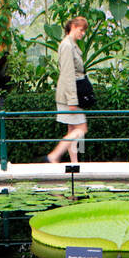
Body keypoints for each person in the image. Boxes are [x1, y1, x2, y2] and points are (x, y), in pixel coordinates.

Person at [46, 17, 88, 164]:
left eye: (84, 31)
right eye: (81, 30)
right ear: (73, 27)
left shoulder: (71, 45)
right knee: (82, 129)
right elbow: (68, 73)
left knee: (72, 130)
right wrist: (72, 100)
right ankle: (54, 154)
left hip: (71, 94)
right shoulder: (67, 45)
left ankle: (74, 163)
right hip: (70, 95)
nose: (82, 33)